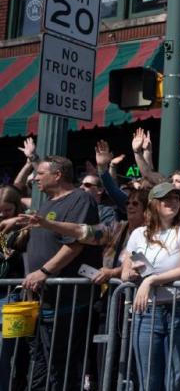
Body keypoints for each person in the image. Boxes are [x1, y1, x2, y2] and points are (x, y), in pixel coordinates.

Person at [23, 155, 103, 391]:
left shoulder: (81, 198)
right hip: (44, 299)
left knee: (65, 366)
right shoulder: (47, 203)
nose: (36, 178)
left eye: (40, 173)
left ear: (57, 175)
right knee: (41, 365)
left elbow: (75, 243)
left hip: (69, 301)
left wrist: (44, 271)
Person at [122, 182, 180, 391]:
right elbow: (124, 272)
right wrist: (132, 273)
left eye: (175, 198)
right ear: (154, 204)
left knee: (177, 375)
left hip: (179, 308)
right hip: (146, 311)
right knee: (148, 377)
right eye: (166, 199)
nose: (172, 202)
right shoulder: (138, 233)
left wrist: (150, 280)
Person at [0, 186, 29, 391]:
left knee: (4, 353)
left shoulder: (25, 229)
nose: (2, 215)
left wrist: (15, 256)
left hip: (12, 298)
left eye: (7, 211)